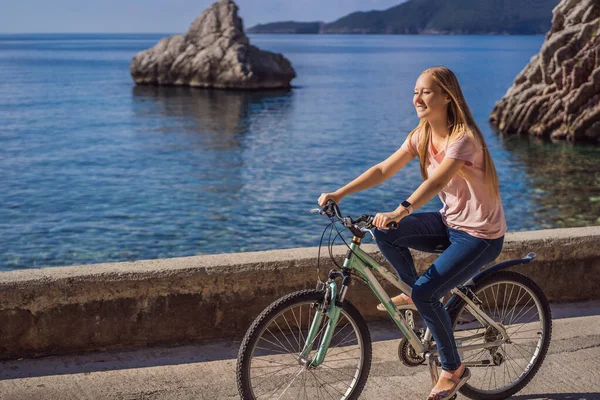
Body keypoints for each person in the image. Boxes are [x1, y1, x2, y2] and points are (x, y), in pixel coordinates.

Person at [317, 66, 506, 400]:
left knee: (425, 291)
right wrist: (339, 192)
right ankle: (413, 292)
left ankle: (453, 370)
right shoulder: (421, 134)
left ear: (447, 96)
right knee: (386, 234)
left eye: (426, 92)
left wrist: (400, 211)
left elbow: (436, 182)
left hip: (480, 235)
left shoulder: (463, 137)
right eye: (416, 91)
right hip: (451, 222)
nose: (417, 98)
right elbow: (382, 169)